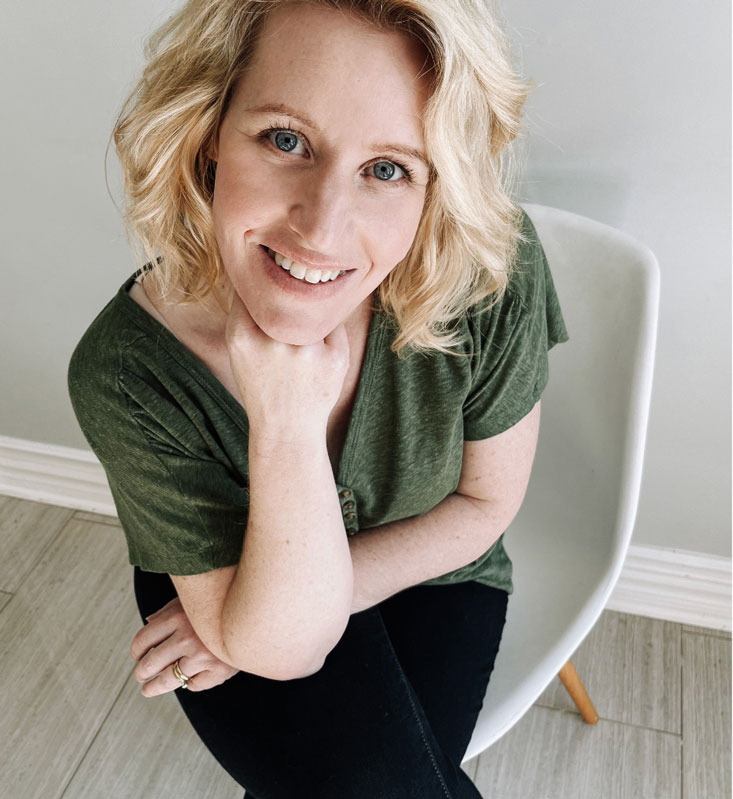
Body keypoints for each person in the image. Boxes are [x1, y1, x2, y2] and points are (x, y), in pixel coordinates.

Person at [67, 0, 568, 796]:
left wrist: (314, 596)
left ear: (437, 185)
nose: (321, 228)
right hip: (226, 572)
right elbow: (285, 649)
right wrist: (286, 426)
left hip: (434, 563)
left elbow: (482, 505)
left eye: (387, 169)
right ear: (208, 130)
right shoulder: (127, 372)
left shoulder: (487, 273)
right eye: (285, 139)